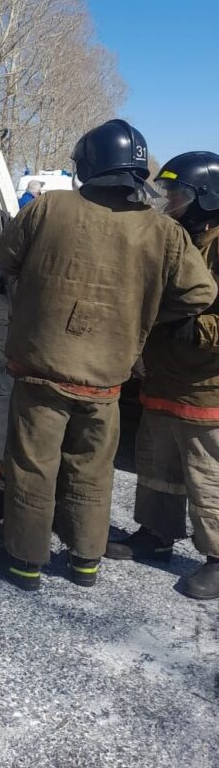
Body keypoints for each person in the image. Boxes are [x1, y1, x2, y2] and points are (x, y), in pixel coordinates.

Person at [0, 120, 217, 592]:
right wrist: (146, 311)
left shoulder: (48, 207)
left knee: (34, 467)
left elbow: (4, 259)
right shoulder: (163, 231)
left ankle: (25, 564)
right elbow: (199, 293)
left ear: (87, 165)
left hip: (40, 373)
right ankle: (85, 562)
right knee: (92, 469)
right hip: (108, 380)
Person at [105, 152, 219, 599]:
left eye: (179, 193)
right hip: (164, 379)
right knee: (157, 465)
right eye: (169, 192)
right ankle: (155, 535)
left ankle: (216, 556)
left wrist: (195, 328)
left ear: (207, 197)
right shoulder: (180, 237)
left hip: (206, 385)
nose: (170, 200)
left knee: (207, 475)